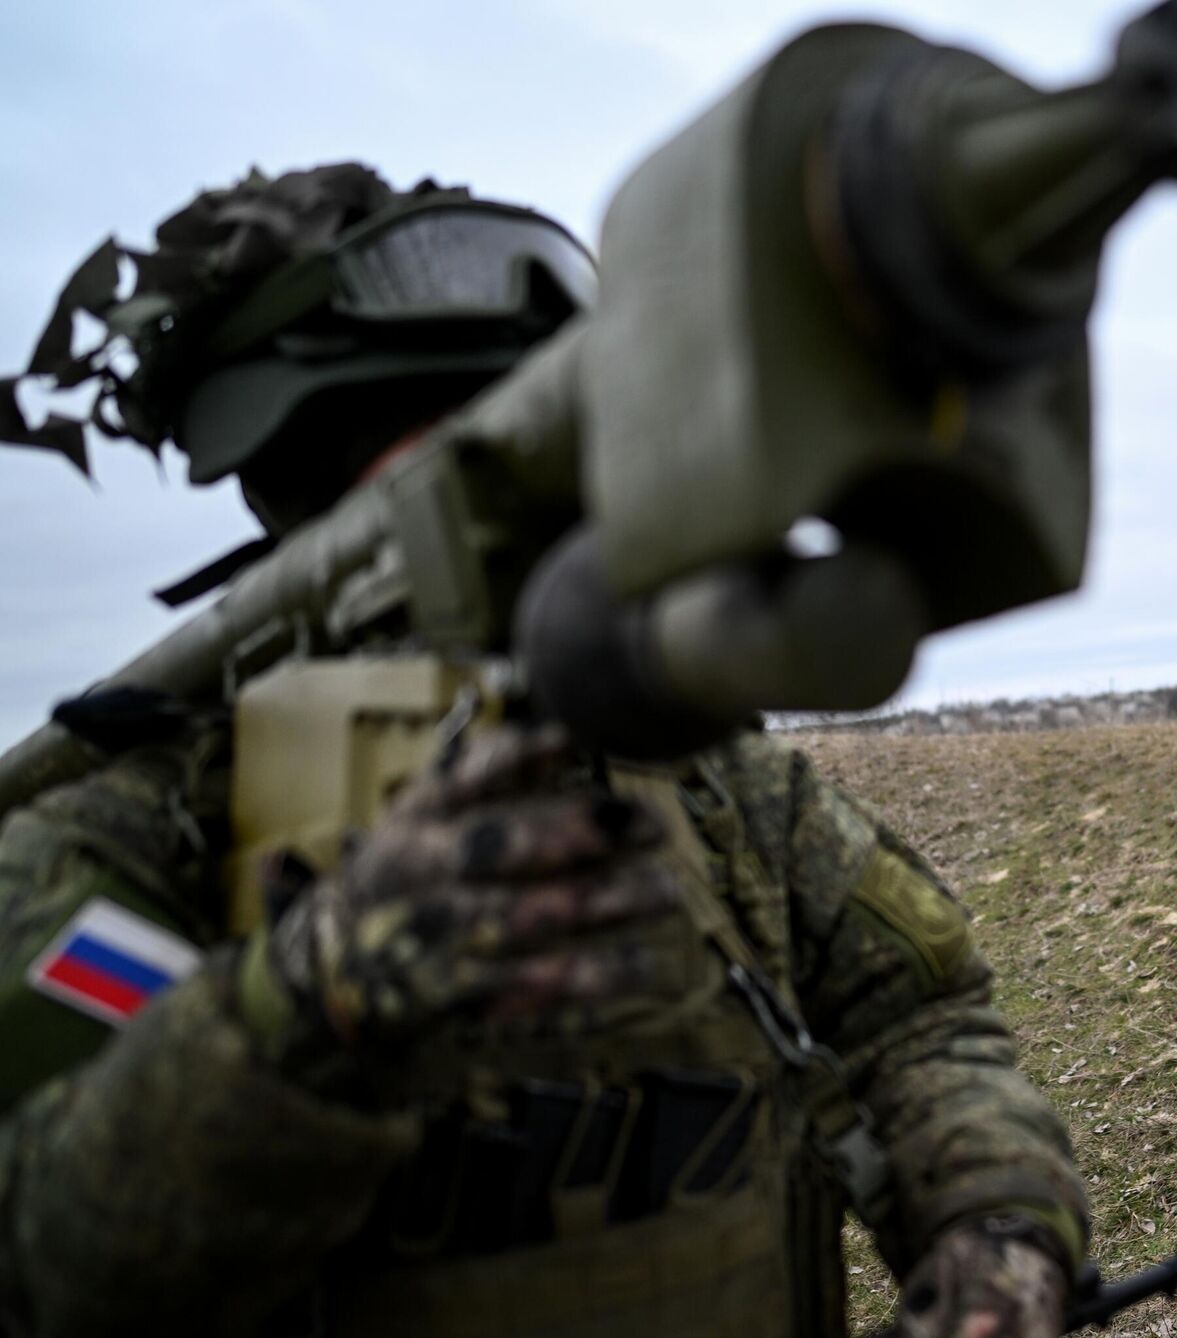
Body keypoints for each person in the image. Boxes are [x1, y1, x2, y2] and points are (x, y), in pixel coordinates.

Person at [0, 165, 1086, 1336]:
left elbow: (918, 1022)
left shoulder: (720, 790)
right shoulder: (128, 837)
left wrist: (1000, 1226)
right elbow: (45, 1271)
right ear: (316, 505)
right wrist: (306, 1011)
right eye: (474, 477)